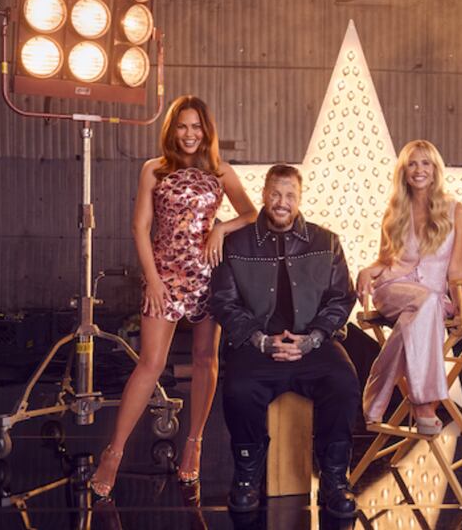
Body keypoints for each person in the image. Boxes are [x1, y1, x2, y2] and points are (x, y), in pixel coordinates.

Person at [90, 95, 257, 497]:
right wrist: (152, 280)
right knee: (151, 363)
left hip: (209, 277)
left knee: (205, 359)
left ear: (207, 131)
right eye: (182, 126)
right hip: (164, 275)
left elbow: (252, 214)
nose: (189, 134)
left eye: (196, 126)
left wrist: (220, 229)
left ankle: (194, 444)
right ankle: (114, 452)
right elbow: (139, 227)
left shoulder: (220, 172)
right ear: (171, 129)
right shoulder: (154, 169)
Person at [210, 164, 361, 519]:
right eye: (275, 194)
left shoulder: (326, 241)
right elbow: (224, 301)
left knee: (343, 381)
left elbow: (342, 297)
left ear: (300, 198)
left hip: (313, 343)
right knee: (238, 388)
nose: (282, 202)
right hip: (257, 345)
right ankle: (247, 476)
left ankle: (335, 480)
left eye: (290, 195)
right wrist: (259, 340)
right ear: (264, 195)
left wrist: (314, 338)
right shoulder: (235, 244)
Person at [358, 140, 462, 434]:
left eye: (425, 163)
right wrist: (367, 270)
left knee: (424, 308)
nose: (419, 170)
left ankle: (376, 395)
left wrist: (461, 306)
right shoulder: (394, 212)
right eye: (412, 164)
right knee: (426, 304)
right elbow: (385, 260)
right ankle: (423, 405)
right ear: (404, 172)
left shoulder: (456, 211)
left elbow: (456, 266)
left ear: (435, 169)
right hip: (393, 288)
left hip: (432, 299)